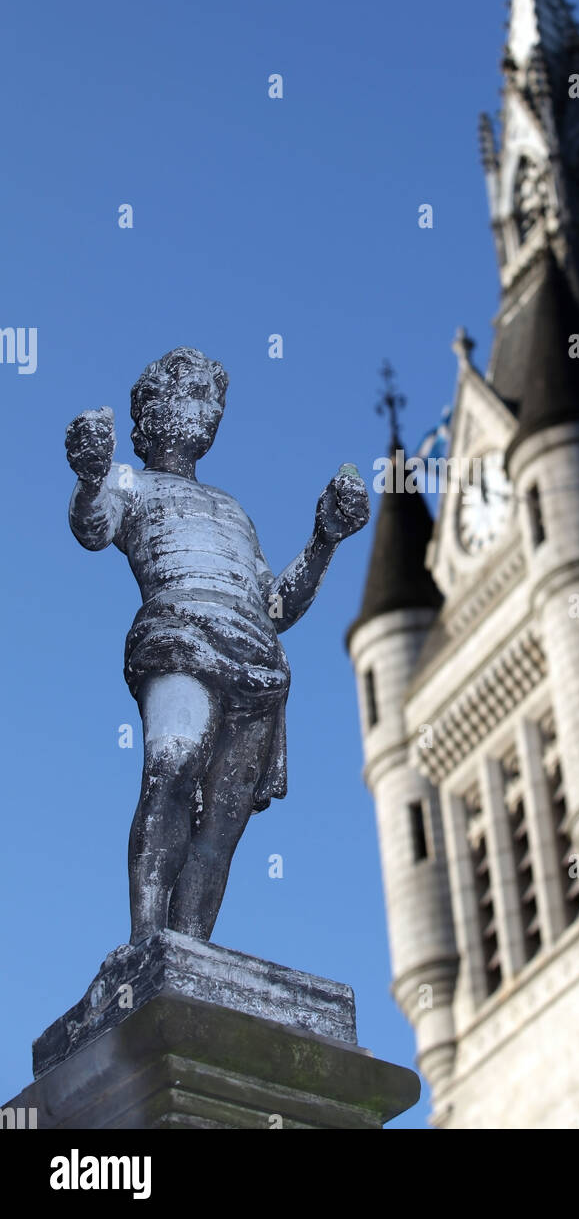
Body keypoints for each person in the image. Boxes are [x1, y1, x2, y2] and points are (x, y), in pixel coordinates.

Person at [65, 346, 369, 944]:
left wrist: (324, 539)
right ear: (152, 410)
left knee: (224, 824)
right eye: (196, 395)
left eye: (216, 402)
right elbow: (92, 526)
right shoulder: (130, 484)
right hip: (178, 637)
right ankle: (147, 943)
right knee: (171, 769)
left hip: (257, 659)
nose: (210, 412)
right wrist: (91, 473)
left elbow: (276, 605)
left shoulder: (233, 510)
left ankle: (191, 950)